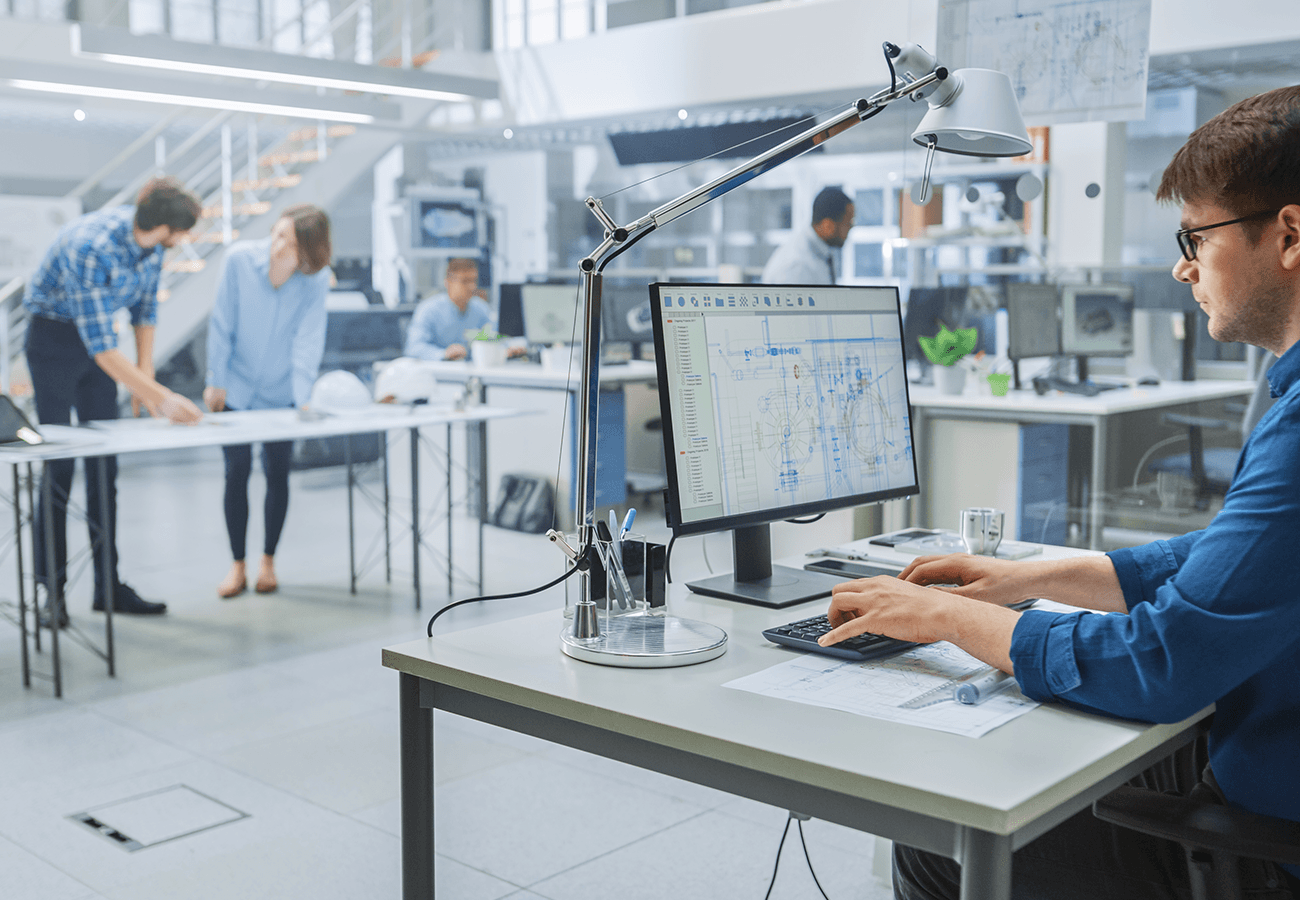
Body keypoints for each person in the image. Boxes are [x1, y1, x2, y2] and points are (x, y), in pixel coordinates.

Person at [819, 86, 1300, 900]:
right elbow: (1234, 560)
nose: (1184, 266)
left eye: (1197, 236)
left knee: (937, 842)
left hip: (1265, 844)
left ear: (1288, 234)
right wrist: (1035, 579)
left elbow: (1167, 659)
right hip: (1258, 749)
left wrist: (953, 617)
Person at [24, 176, 205, 627]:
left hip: (99, 349)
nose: (182, 243)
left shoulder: (151, 248)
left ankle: (109, 587)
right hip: (53, 343)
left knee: (105, 465)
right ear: (165, 229)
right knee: (60, 467)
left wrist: (145, 375)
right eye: (180, 235)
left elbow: (145, 310)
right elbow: (102, 348)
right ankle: (53, 593)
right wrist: (162, 399)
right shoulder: (91, 245)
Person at [204, 205, 332, 598]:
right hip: (237, 391)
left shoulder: (315, 281)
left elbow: (308, 340)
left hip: (281, 396)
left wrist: (303, 398)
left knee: (278, 474)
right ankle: (237, 565)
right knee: (236, 472)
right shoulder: (240, 261)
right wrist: (216, 381)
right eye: (276, 234)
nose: (276, 246)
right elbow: (221, 323)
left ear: (307, 253)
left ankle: (268, 563)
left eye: (289, 243)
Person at [761, 186, 855, 284]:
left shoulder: (821, 252)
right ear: (828, 226)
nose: (851, 227)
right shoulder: (797, 266)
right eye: (848, 223)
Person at [403, 258, 491, 360]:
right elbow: (413, 348)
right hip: (437, 372)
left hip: (472, 372)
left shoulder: (481, 309)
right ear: (448, 282)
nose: (471, 286)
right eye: (465, 281)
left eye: (473, 281)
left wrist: (506, 348)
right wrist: (443, 354)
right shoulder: (428, 309)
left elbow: (493, 339)